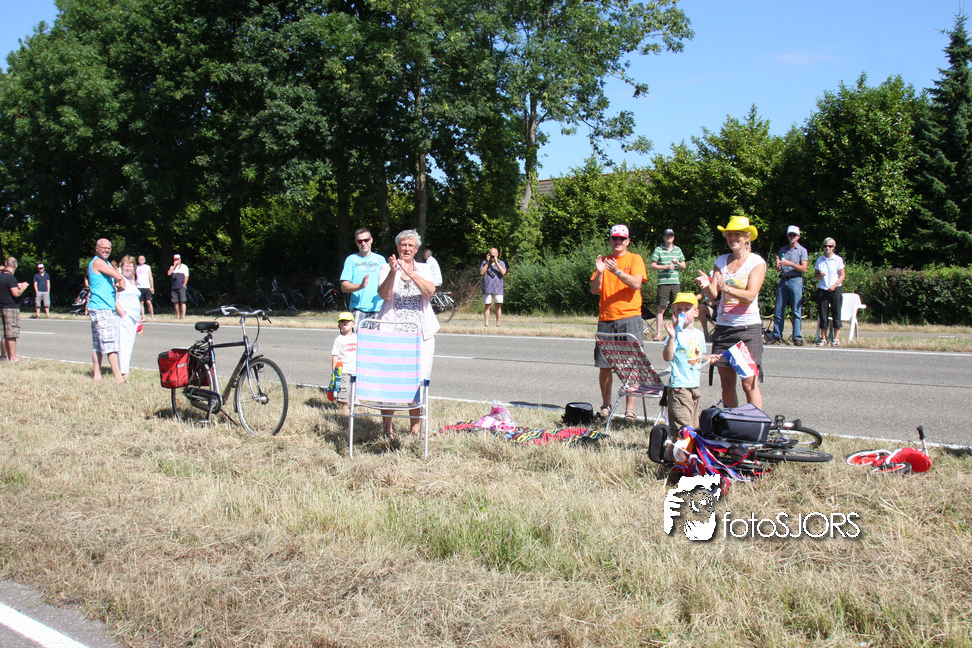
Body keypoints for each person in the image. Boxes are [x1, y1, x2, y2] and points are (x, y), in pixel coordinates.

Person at [695, 215, 766, 409]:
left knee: (748, 384)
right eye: (729, 235)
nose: (732, 238)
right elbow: (713, 294)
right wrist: (706, 285)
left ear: (747, 237)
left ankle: (755, 423)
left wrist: (727, 288)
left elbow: (750, 295)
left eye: (737, 234)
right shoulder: (721, 261)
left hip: (747, 329)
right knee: (726, 384)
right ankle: (732, 422)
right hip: (724, 328)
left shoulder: (756, 262)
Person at [377, 229, 439, 439]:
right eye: (403, 245)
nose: (406, 249)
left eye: (410, 245)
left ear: (417, 249)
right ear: (397, 247)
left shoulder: (425, 268)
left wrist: (410, 273)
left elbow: (429, 292)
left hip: (421, 335)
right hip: (392, 334)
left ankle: (415, 429)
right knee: (390, 381)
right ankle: (387, 428)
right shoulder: (386, 267)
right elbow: (384, 294)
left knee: (420, 381)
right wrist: (394, 271)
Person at [591, 224, 648, 421]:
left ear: (628, 241)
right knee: (605, 365)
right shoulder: (603, 261)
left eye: (622, 239)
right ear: (610, 240)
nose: (618, 241)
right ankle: (606, 406)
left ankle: (629, 410)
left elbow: (636, 284)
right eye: (614, 238)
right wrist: (600, 272)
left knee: (631, 364)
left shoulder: (635, 259)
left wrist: (617, 271)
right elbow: (594, 290)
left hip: (629, 317)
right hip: (606, 318)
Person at [661, 293, 721, 433]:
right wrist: (671, 338)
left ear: (696, 313)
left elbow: (698, 355)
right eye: (679, 309)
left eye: (687, 309)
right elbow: (667, 357)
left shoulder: (699, 334)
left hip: (694, 386)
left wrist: (708, 358)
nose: (682, 312)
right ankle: (678, 446)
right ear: (674, 313)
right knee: (684, 429)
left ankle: (683, 446)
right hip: (680, 387)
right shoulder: (675, 333)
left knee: (694, 427)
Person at [87, 239, 126, 382]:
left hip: (101, 306)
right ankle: (118, 378)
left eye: (108, 248)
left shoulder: (106, 262)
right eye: (103, 248)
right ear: (96, 248)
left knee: (98, 344)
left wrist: (120, 284)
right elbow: (117, 276)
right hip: (102, 307)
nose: (106, 250)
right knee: (110, 343)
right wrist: (121, 282)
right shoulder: (98, 262)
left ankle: (97, 375)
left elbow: (117, 278)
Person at [770, 225, 808, 346]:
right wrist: (777, 265)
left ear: (798, 237)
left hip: (796, 280)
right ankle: (777, 336)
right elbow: (778, 269)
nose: (792, 237)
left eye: (794, 235)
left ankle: (797, 337)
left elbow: (804, 269)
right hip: (783, 280)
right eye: (790, 235)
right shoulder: (783, 250)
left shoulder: (802, 250)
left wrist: (791, 264)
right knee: (779, 309)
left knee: (796, 310)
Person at [340, 228, 385, 328]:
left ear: (371, 240)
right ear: (356, 243)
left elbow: (387, 283)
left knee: (377, 338)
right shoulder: (351, 260)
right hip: (358, 309)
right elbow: (344, 287)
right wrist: (360, 286)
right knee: (357, 338)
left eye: (366, 240)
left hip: (378, 308)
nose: (363, 243)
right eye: (360, 241)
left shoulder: (380, 259)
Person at [649, 228, 686, 341]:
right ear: (664, 237)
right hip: (663, 283)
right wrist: (666, 267)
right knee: (661, 308)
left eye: (671, 236)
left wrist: (677, 263)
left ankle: (676, 333)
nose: (670, 237)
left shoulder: (678, 250)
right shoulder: (658, 250)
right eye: (668, 236)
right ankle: (658, 334)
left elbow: (684, 266)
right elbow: (652, 266)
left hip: (675, 283)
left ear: (673, 237)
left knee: (676, 308)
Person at [814, 237, 846, 347]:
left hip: (835, 289)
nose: (827, 248)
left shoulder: (838, 259)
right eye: (825, 246)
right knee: (823, 315)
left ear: (833, 247)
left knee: (836, 313)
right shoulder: (820, 260)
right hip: (822, 289)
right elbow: (816, 275)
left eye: (830, 246)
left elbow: (842, 275)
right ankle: (824, 338)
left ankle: (836, 338)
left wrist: (835, 285)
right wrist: (820, 275)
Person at [115, 255, 142, 379]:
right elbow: (114, 299)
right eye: (126, 266)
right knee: (124, 344)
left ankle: (125, 369)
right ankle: (123, 372)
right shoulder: (119, 279)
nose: (128, 268)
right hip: (125, 317)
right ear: (122, 267)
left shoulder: (132, 280)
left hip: (134, 317)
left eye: (130, 266)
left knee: (129, 344)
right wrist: (123, 315)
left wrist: (139, 317)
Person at [0, 257, 30, 362]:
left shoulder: (1, 276)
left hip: (1, 306)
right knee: (12, 334)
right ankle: (12, 357)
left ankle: (4, 355)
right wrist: (23, 287)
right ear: (16, 266)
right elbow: (16, 293)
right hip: (10, 308)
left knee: (3, 334)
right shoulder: (10, 278)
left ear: (5, 264)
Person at [330, 311, 357, 414]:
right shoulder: (339, 340)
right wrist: (334, 371)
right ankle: (344, 409)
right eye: (342, 321)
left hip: (354, 369)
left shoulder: (357, 338)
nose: (345, 323)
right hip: (343, 370)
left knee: (352, 389)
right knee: (344, 389)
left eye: (348, 321)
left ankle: (352, 406)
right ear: (339, 325)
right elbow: (335, 355)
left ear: (353, 324)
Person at [480, 247, 507, 326]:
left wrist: (496, 262)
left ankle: (498, 323)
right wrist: (488, 262)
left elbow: (503, 272)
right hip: (487, 287)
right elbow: (482, 272)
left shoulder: (501, 263)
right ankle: (486, 324)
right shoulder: (484, 262)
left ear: (497, 254)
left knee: (497, 305)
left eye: (494, 255)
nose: (492, 257)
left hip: (498, 287)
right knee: (487, 305)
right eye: (491, 255)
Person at [167, 254, 189, 320]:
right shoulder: (172, 267)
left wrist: (184, 285)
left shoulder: (184, 267)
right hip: (174, 286)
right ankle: (178, 315)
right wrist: (174, 266)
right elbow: (169, 273)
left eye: (177, 259)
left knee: (182, 301)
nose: (176, 260)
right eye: (175, 259)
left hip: (181, 286)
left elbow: (186, 277)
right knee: (175, 302)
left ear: (180, 259)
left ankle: (183, 316)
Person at [135, 254, 155, 320]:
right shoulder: (136, 267)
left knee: (148, 301)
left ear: (145, 260)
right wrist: (135, 281)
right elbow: (133, 275)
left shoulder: (147, 267)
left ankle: (152, 316)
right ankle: (143, 316)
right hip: (139, 286)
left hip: (147, 286)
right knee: (141, 302)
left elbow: (150, 276)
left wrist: (152, 286)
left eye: (142, 259)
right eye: (140, 259)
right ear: (138, 260)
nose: (141, 260)